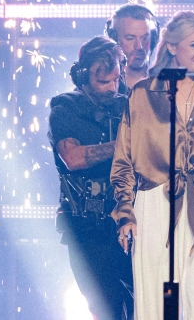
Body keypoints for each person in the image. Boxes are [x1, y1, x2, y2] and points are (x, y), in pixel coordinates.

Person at [110, 11, 194, 320]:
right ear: (172, 47)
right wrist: (125, 212)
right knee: (159, 304)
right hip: (155, 204)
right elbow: (124, 160)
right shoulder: (143, 94)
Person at [48, 36, 134, 320]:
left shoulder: (130, 105)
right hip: (87, 230)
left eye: (116, 80)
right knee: (105, 308)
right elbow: (72, 158)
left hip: (129, 222)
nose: (112, 88)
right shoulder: (65, 108)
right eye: (104, 82)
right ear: (83, 76)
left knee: (145, 304)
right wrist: (124, 144)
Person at [106, 3, 159, 92]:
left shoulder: (166, 84)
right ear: (114, 39)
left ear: (153, 39)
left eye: (145, 38)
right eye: (130, 38)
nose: (139, 46)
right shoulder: (101, 88)